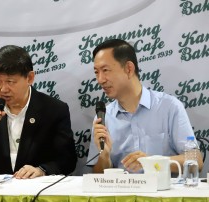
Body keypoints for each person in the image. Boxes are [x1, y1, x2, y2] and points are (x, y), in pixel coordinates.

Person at [0, 45, 77, 178]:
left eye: (10, 81)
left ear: (30, 78)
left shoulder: (54, 110)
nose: (3, 89)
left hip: (36, 193)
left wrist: (42, 170)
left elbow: (68, 160)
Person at [86, 39, 203, 173]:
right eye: (96, 72)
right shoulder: (103, 117)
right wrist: (104, 156)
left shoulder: (169, 107)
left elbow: (196, 162)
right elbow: (98, 177)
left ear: (129, 69)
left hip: (163, 192)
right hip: (123, 192)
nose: (100, 80)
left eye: (105, 70)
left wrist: (153, 162)